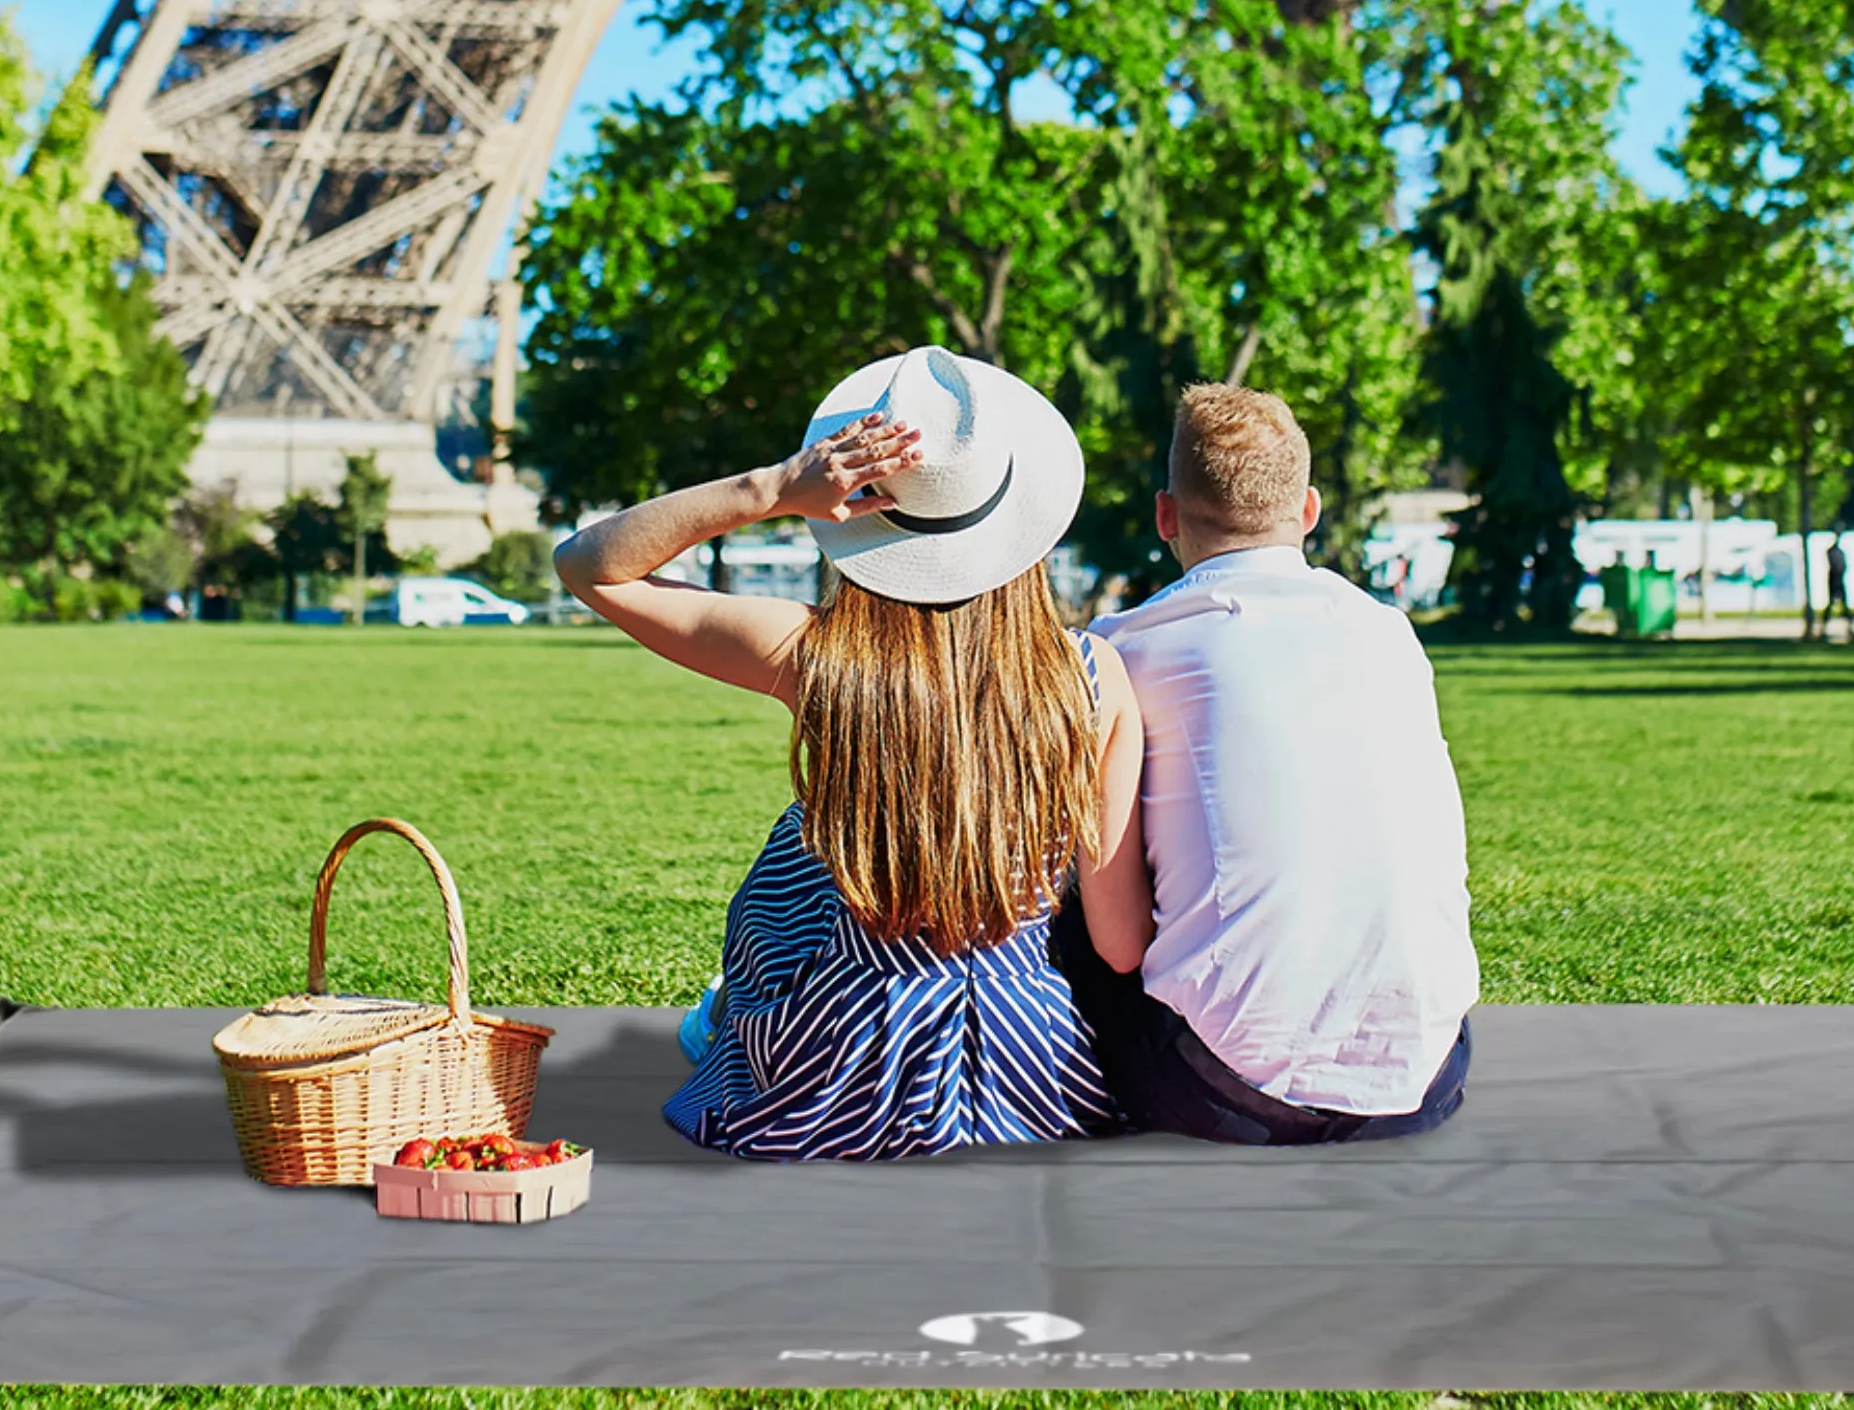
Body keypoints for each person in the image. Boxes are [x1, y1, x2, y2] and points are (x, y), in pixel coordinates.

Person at [553, 344, 1151, 1159]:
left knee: (799, 839)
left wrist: (770, 489)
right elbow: (1119, 942)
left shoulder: (815, 655)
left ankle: (732, 1013)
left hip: (834, 1069)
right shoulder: (1092, 676)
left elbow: (591, 567)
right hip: (1031, 1069)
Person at [1052, 383, 1477, 1145]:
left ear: (1165, 516)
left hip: (1221, 1089)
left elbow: (1117, 946)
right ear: (1308, 510)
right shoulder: (1389, 635)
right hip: (1425, 1075)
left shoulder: (1125, 650)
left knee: (1060, 878)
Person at [1820, 535, 1854, 643]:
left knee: (1841, 606)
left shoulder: (1836, 552)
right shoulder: (1835, 552)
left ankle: (1849, 627)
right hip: (1836, 581)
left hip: (1837, 581)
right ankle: (1825, 628)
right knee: (1837, 606)